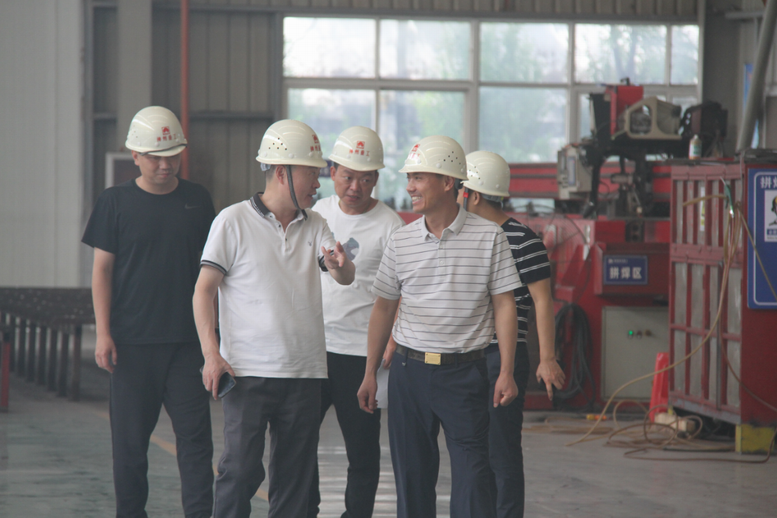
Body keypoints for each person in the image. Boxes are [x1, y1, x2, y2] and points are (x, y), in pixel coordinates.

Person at [192, 119, 355, 518]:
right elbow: (203, 291)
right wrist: (212, 354)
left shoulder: (316, 224)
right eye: (311, 173)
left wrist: (340, 266)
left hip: (305, 373)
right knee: (240, 471)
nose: (318, 182)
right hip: (247, 372)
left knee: (295, 481)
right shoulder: (232, 221)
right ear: (282, 172)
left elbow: (343, 274)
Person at [357, 135, 522, 518]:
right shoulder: (401, 240)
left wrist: (507, 371)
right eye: (409, 178)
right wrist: (369, 373)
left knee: (473, 478)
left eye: (418, 178)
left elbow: (505, 305)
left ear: (448, 182)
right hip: (408, 374)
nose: (410, 187)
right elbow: (384, 308)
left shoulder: (490, 237)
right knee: (412, 479)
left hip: (465, 375)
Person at [82, 106, 215, 518]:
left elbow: (214, 272)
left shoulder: (197, 200)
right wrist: (104, 332)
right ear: (135, 155)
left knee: (196, 444)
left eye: (173, 155)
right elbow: (102, 271)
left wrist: (214, 341)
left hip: (187, 346)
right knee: (129, 448)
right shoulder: (114, 202)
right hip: (132, 345)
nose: (165, 165)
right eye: (156, 157)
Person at [459, 150, 565, 518]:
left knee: (501, 450)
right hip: (465, 357)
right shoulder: (464, 236)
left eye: (460, 190)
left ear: (472, 194)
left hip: (502, 357)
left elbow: (542, 301)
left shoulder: (522, 239)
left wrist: (547, 359)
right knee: (471, 450)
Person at [306, 126, 404, 518]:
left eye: (365, 179)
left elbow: (402, 291)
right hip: (313, 350)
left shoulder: (390, 225)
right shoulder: (316, 214)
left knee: (362, 453)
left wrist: (392, 340)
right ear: (332, 172)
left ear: (376, 179)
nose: (355, 187)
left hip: (361, 356)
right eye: (348, 176)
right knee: (299, 444)